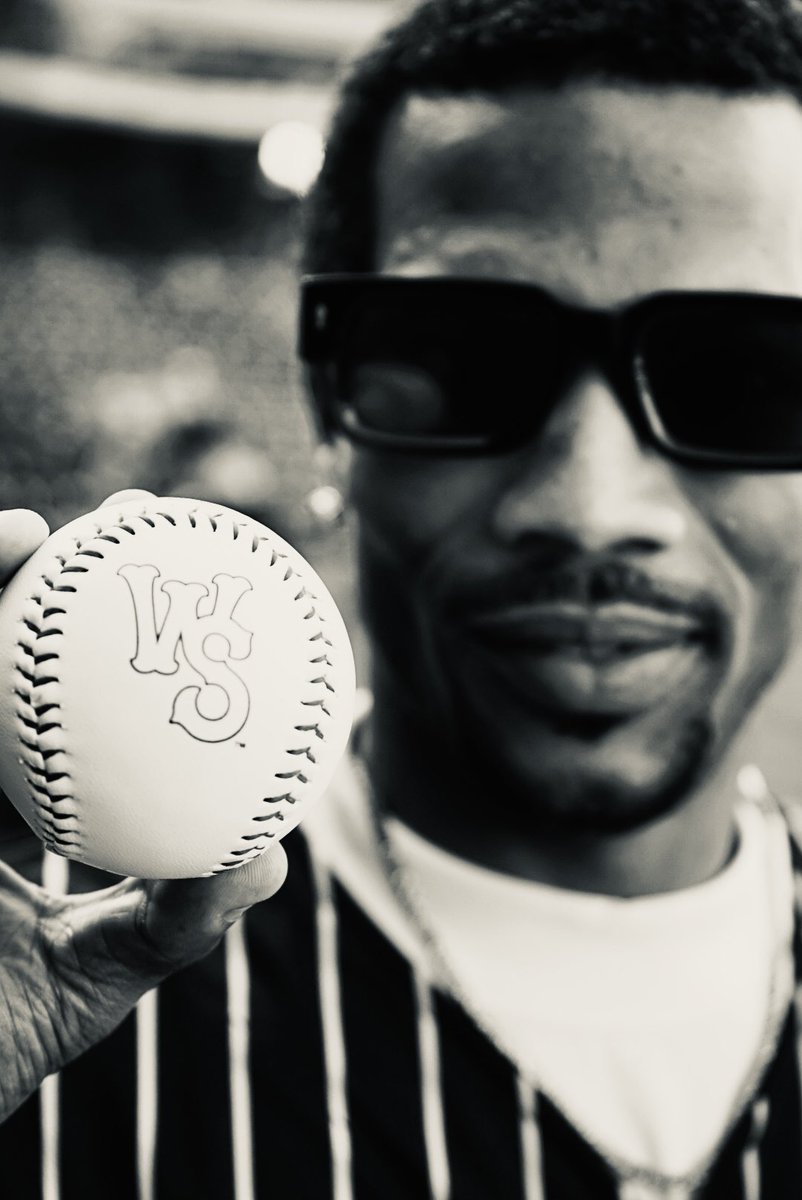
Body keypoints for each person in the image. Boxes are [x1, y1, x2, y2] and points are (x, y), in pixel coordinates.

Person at [4, 0, 802, 1196]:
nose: (588, 504)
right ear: (330, 415)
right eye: (460, 359)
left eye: (740, 375)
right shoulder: (49, 980)